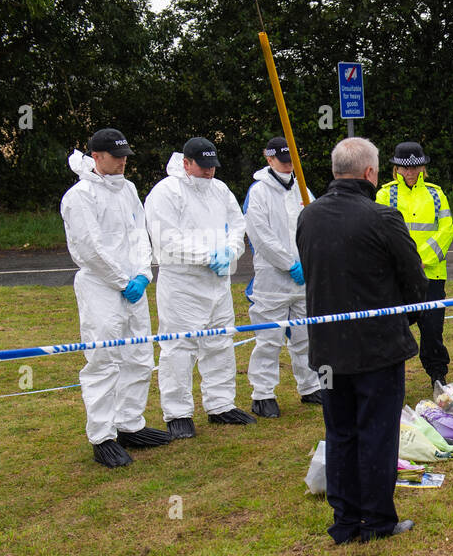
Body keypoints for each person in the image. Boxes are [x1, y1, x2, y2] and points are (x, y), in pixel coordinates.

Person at [296, 137, 428, 544]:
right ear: (371, 174)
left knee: (340, 432)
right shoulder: (383, 218)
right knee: (376, 433)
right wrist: (405, 317)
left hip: (328, 351)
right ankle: (376, 520)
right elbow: (416, 285)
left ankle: (346, 520)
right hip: (376, 351)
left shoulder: (308, 217)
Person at [60, 127, 172, 468]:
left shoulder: (128, 189)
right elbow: (88, 249)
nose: (123, 162)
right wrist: (123, 280)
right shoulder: (79, 197)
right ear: (96, 156)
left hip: (132, 286)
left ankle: (129, 425)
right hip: (101, 287)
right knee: (103, 360)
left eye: (126, 156)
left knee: (138, 356)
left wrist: (142, 273)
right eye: (116, 156)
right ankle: (102, 436)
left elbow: (140, 233)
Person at [144, 137, 255, 437]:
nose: (209, 172)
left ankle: (221, 404)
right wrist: (207, 256)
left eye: (212, 167)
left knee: (220, 341)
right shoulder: (166, 192)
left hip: (218, 283)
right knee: (180, 347)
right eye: (203, 166)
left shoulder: (220, 190)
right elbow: (166, 239)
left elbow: (237, 225)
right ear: (186, 163)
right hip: (183, 284)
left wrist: (230, 252)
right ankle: (178, 412)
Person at [243, 136, 322, 418]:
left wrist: (310, 262)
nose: (288, 166)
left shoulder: (302, 189)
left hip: (303, 281)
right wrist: (289, 264)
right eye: (282, 161)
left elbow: (316, 225)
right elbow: (261, 236)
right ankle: (262, 394)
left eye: (292, 162)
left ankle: (310, 386)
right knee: (269, 339)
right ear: (269, 159)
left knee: (305, 337)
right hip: (272, 283)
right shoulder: (259, 192)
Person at [376, 141, 453, 385]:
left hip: (431, 275)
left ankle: (438, 377)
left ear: (422, 168)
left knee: (432, 330)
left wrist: (421, 260)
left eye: (415, 167)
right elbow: (381, 234)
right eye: (404, 168)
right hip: (397, 278)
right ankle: (391, 380)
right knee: (393, 330)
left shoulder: (436, 193)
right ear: (396, 168)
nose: (410, 172)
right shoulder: (384, 194)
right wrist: (407, 263)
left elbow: (446, 230)